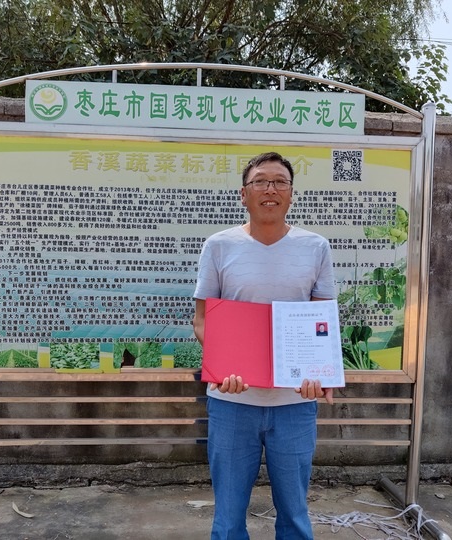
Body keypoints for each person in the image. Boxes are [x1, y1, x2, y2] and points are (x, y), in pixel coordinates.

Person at [192, 151, 336, 540]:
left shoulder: (316, 247)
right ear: (244, 194)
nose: (270, 189)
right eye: (260, 181)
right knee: (227, 517)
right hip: (231, 401)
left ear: (291, 193)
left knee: (295, 515)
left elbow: (321, 322)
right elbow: (202, 320)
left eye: (279, 182)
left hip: (295, 403)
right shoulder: (219, 246)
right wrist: (223, 366)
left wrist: (320, 374)